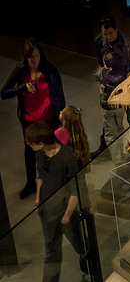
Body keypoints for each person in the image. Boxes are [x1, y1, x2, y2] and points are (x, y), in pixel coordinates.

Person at [2, 38, 66, 199]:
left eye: (37, 56)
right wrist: (22, 88)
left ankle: (53, 182)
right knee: (30, 153)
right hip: (29, 121)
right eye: (31, 57)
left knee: (49, 152)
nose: (34, 60)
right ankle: (31, 183)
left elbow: (59, 93)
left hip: (48, 120)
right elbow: (4, 93)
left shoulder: (49, 70)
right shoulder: (20, 71)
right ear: (25, 57)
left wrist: (61, 113)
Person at [26, 121, 85, 282]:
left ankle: (88, 265)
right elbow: (41, 176)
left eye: (32, 144)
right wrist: (39, 199)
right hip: (48, 212)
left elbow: (74, 191)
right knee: (51, 250)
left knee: (79, 243)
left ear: (40, 143)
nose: (30, 147)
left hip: (65, 211)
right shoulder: (40, 153)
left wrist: (66, 216)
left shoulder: (66, 157)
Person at [92, 16, 130, 161]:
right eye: (105, 34)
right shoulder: (99, 42)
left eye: (111, 33)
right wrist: (104, 78)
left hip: (127, 87)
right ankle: (107, 150)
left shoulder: (128, 45)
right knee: (111, 122)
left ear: (116, 29)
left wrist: (126, 81)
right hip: (109, 89)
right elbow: (101, 63)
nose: (108, 37)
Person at [55, 106, 91, 209]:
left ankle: (73, 211)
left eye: (62, 112)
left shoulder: (59, 133)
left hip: (68, 172)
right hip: (79, 168)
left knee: (71, 193)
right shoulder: (79, 131)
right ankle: (86, 208)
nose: (60, 111)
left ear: (65, 120)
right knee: (82, 188)